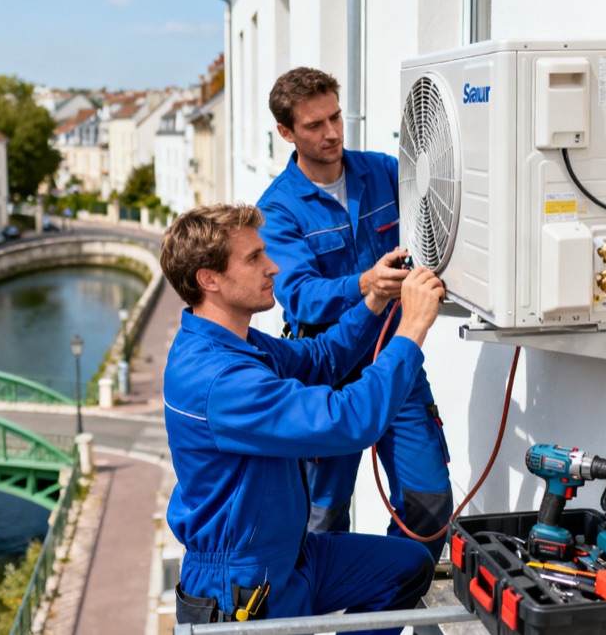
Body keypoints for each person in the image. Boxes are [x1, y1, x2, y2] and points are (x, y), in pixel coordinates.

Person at [161, 203, 443, 631]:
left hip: (292, 557)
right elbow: (348, 420)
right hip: (240, 583)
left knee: (407, 566)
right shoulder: (218, 379)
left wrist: (374, 301)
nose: (272, 267)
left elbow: (320, 359)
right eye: (254, 257)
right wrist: (412, 330)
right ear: (209, 279)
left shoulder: (238, 344)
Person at [256, 67, 453, 560]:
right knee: (322, 522)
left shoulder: (385, 171)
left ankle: (378, 615)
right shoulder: (277, 210)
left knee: (429, 511)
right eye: (314, 125)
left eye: (336, 117)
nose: (332, 133)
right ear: (286, 133)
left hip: (396, 360)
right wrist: (364, 283)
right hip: (328, 376)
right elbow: (299, 296)